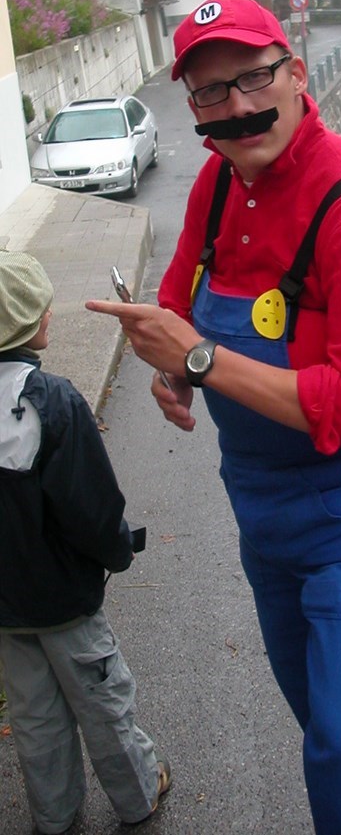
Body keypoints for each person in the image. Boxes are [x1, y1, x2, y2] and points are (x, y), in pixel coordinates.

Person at [86, 0, 341, 835]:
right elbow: (181, 291)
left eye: (254, 79)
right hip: (261, 497)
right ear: (194, 107)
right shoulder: (219, 180)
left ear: (295, 71)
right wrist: (169, 368)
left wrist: (200, 360)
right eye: (212, 93)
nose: (240, 108)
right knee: (322, 722)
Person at [0, 249, 171, 835]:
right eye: (40, 307)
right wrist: (117, 551)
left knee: (34, 715)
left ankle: (54, 815)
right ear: (28, 321)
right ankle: (138, 794)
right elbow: (92, 508)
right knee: (104, 702)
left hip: (5, 607)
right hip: (65, 599)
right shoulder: (51, 403)